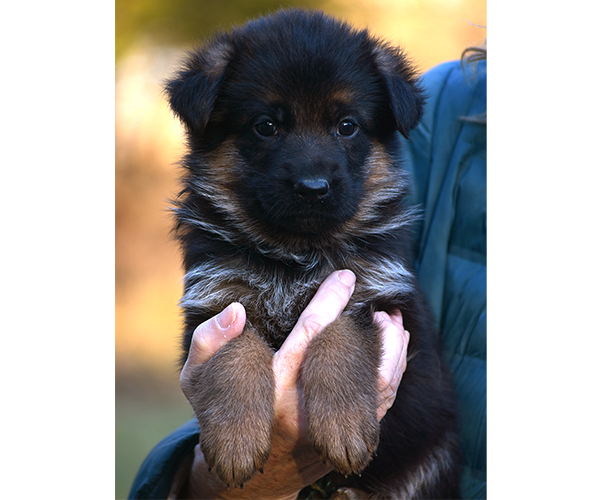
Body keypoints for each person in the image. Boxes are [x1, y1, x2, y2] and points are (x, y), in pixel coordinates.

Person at [128, 48, 487, 500]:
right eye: (267, 127)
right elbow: (210, 343)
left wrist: (338, 355)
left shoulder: (381, 230)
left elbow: (385, 325)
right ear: (208, 129)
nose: (314, 175)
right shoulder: (456, 109)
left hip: (410, 476)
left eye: (346, 127)